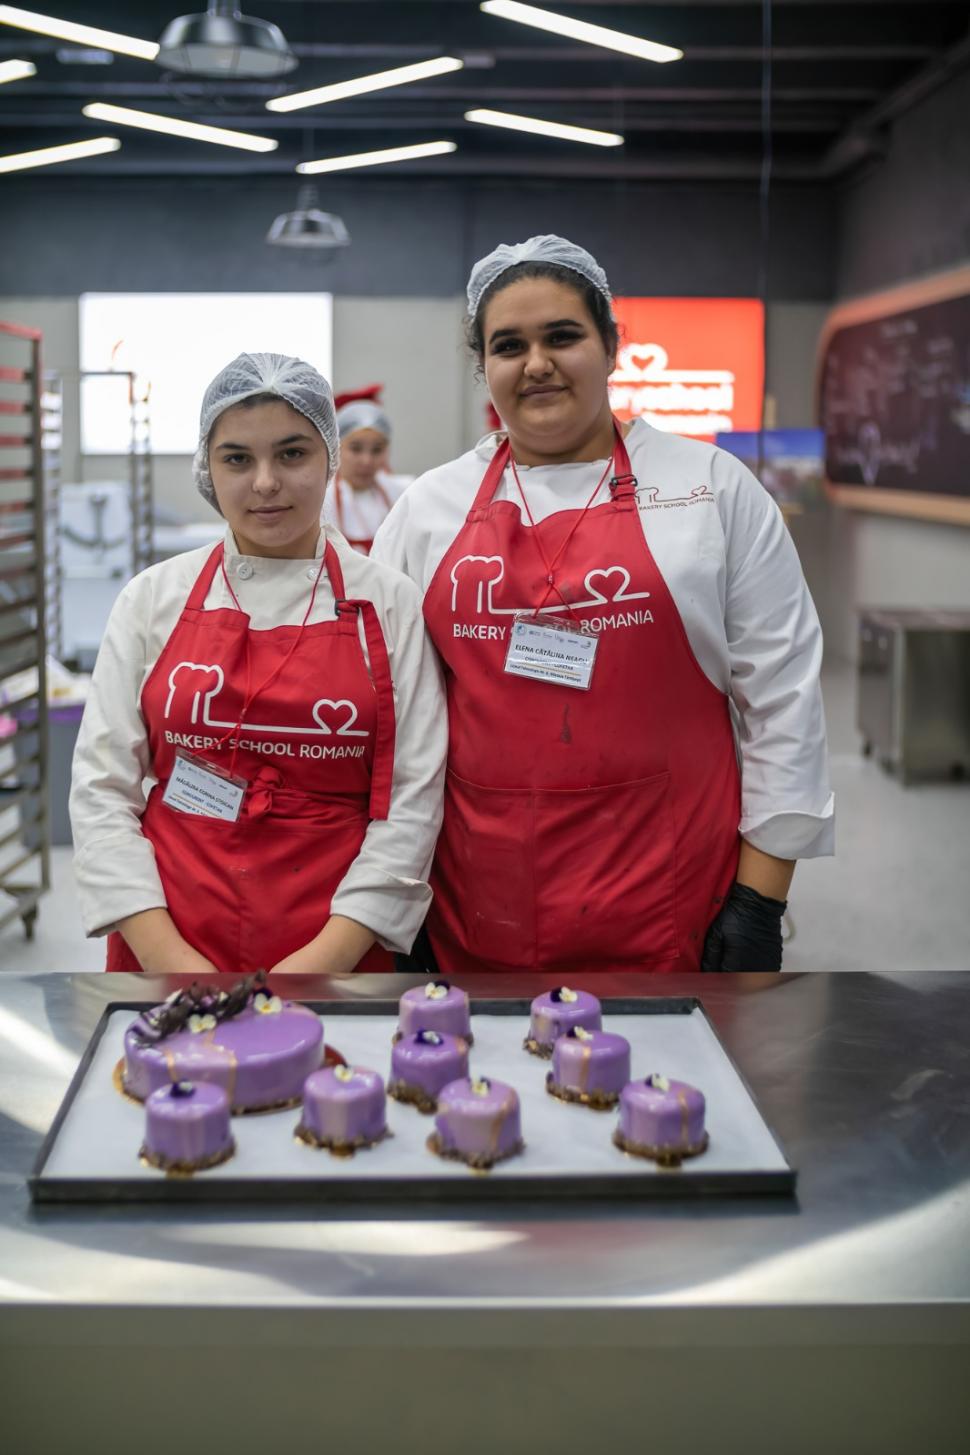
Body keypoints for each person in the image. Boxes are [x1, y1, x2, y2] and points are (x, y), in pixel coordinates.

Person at [372, 235, 834, 975]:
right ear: (483, 366)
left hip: (671, 892)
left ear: (612, 346)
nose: (537, 364)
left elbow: (783, 704)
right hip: (473, 899)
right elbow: (391, 718)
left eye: (563, 336)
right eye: (508, 345)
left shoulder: (710, 489)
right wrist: (395, 896)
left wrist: (759, 900)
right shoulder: (429, 508)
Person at [70, 353, 446, 975]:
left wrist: (325, 962)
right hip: (170, 934)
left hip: (338, 942)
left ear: (328, 458)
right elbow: (100, 788)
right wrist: (168, 958)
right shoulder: (153, 598)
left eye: (292, 454)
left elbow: (414, 799)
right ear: (208, 468)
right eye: (237, 459)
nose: (265, 482)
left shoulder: (389, 602)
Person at [324, 385, 410, 554]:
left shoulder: (401, 493)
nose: (367, 461)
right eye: (356, 449)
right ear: (336, 447)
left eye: (377, 450)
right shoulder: (322, 500)